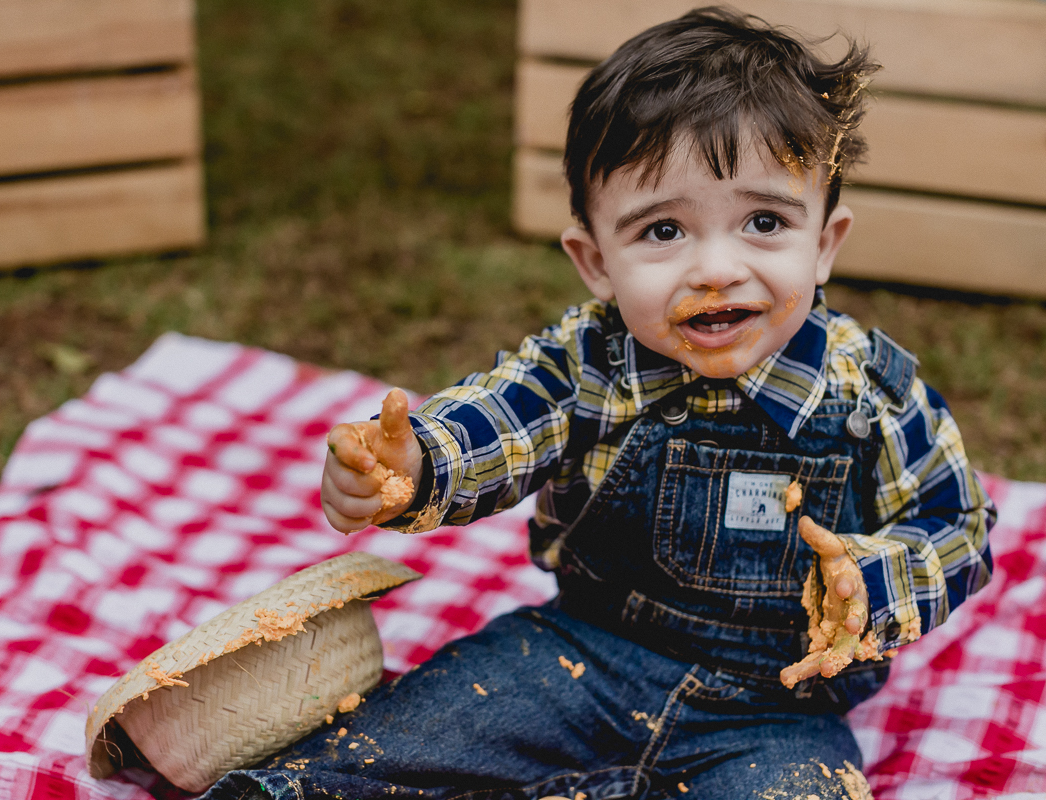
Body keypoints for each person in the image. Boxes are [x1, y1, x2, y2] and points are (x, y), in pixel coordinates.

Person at [203, 7, 994, 799]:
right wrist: (415, 463)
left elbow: (956, 524)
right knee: (402, 737)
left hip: (780, 711)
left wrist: (879, 580)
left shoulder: (873, 394)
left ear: (824, 241)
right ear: (595, 262)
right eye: (661, 231)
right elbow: (505, 418)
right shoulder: (587, 364)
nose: (716, 269)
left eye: (763, 222)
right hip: (579, 657)